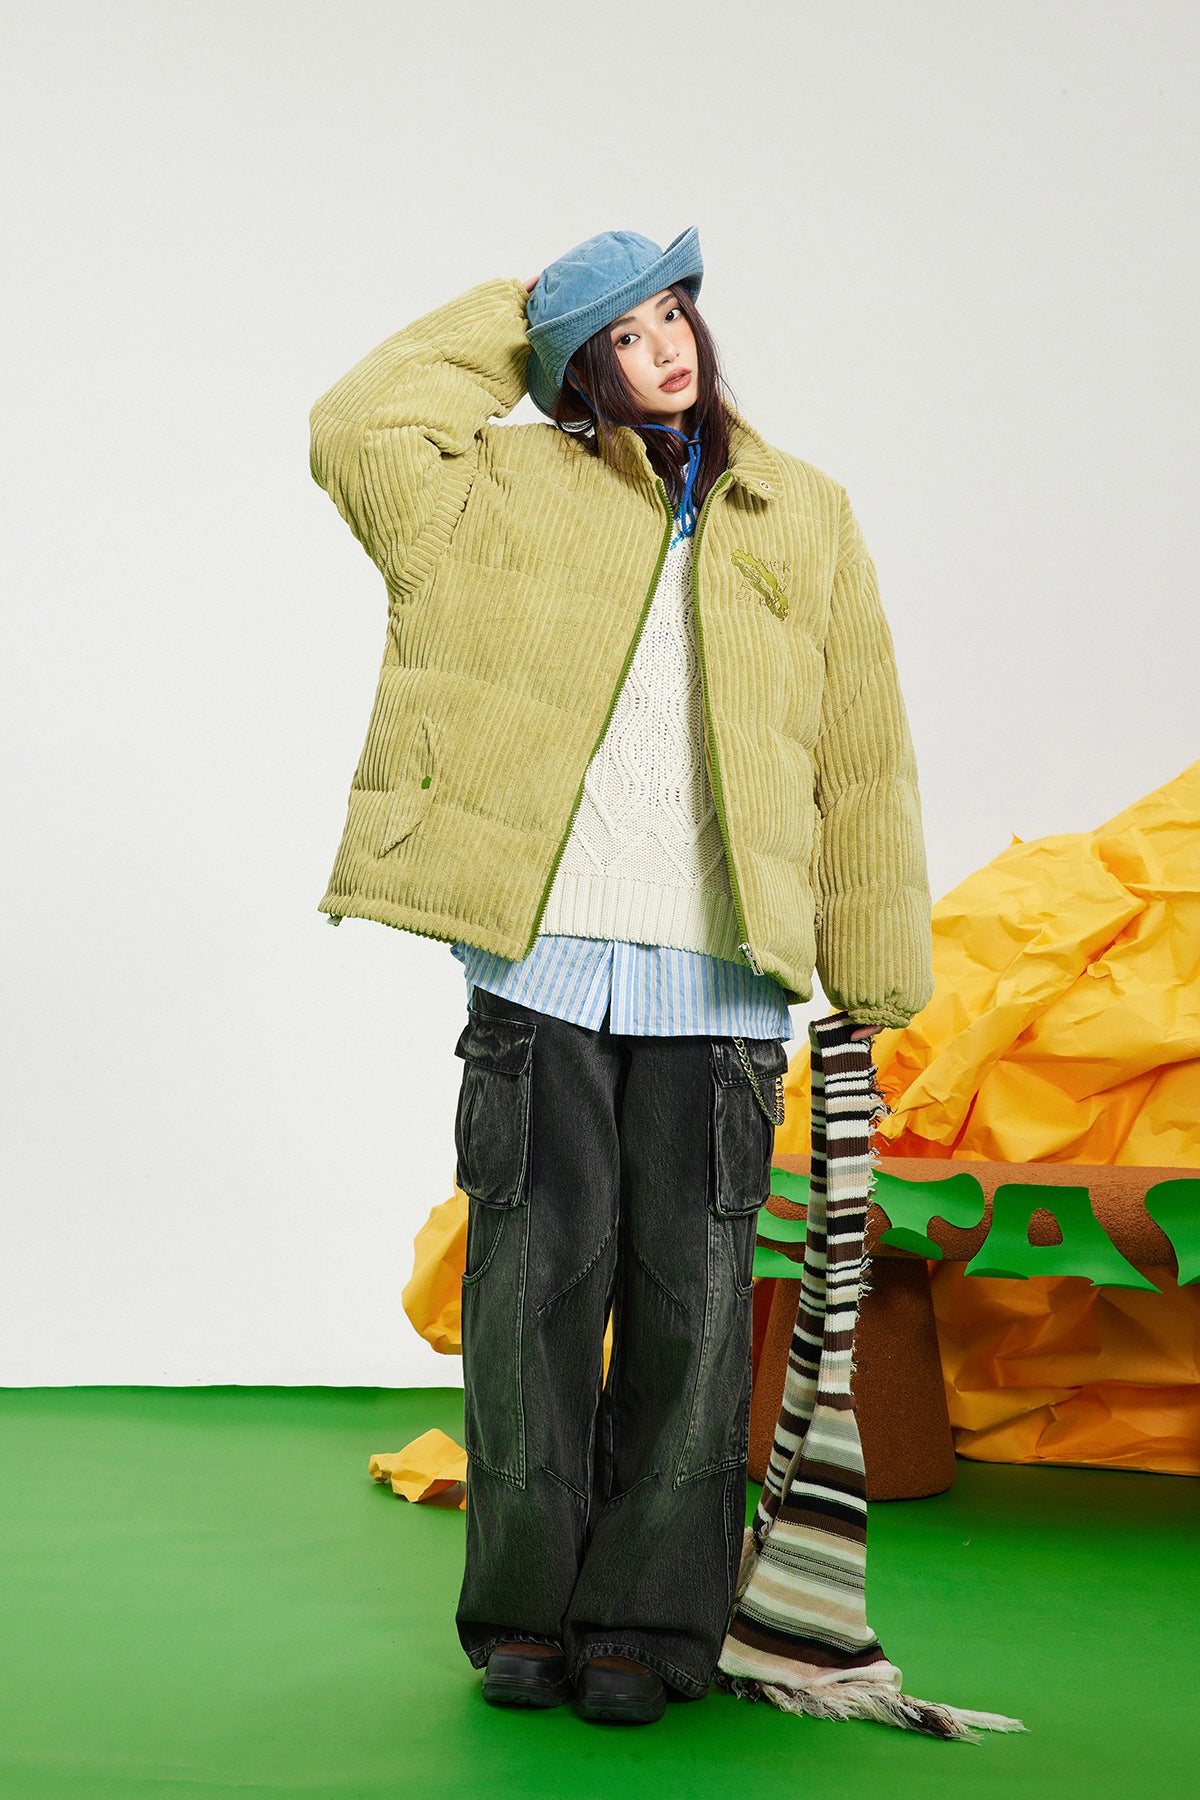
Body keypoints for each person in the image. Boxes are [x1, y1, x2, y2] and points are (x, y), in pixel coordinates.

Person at [308, 227, 934, 1726]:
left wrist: (875, 966)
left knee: (695, 1310)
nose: (666, 347)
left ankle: (647, 1628)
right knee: (528, 1295)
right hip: (542, 963)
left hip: (723, 977)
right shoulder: (497, 488)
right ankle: (526, 1614)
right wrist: (516, 311)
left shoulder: (803, 512)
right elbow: (356, 427)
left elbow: (863, 747)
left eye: (674, 314)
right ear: (576, 366)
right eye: (624, 331)